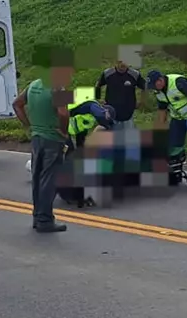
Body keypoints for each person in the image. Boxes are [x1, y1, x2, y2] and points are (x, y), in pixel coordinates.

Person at [13, 61, 72, 233]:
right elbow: (63, 112)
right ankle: (45, 219)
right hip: (53, 138)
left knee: (38, 178)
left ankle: (37, 216)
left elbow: (17, 104)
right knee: (49, 180)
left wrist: (29, 125)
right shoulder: (59, 88)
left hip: (37, 137)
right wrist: (63, 131)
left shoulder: (34, 85)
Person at [147, 70, 187, 188]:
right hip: (177, 119)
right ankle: (176, 173)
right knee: (174, 147)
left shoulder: (178, 82)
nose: (154, 88)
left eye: (155, 85)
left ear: (160, 80)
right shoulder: (158, 92)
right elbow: (162, 111)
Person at [57, 100, 116, 208]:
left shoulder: (90, 119)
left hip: (67, 132)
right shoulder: (93, 107)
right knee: (67, 158)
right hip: (60, 129)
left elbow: (81, 136)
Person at [95, 59, 144, 124]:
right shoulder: (107, 73)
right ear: (116, 62)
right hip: (111, 113)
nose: (122, 64)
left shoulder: (135, 74)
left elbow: (145, 87)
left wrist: (142, 101)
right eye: (120, 62)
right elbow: (98, 85)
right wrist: (98, 99)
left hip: (128, 114)